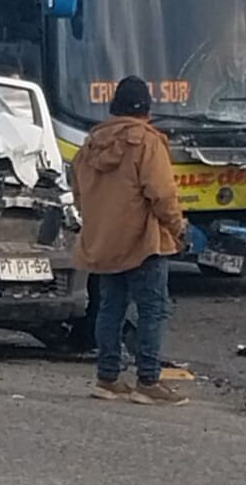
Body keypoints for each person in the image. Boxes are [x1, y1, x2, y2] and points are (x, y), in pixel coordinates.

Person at [71, 76, 188, 405]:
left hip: (105, 241)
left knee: (110, 309)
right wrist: (178, 228)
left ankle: (107, 378)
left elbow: (79, 195)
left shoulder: (90, 145)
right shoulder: (146, 143)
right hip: (143, 242)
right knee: (153, 309)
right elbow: (162, 194)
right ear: (146, 110)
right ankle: (148, 381)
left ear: (113, 108)